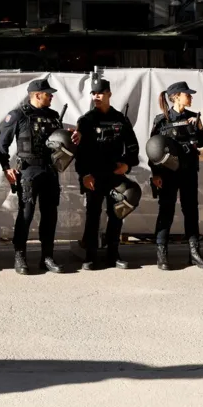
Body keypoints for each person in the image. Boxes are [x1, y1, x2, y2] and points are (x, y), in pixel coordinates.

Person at [0, 78, 76, 275]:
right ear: (36, 95)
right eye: (48, 94)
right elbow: (1, 145)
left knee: (50, 215)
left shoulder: (53, 115)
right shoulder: (18, 115)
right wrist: (6, 168)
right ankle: (20, 256)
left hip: (50, 171)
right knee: (26, 215)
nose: (51, 96)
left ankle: (47, 257)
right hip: (28, 171)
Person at [74, 77, 139, 270]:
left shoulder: (120, 119)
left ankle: (113, 255)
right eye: (93, 93)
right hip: (94, 175)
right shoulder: (86, 121)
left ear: (109, 94)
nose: (96, 97)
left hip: (115, 174)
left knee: (116, 214)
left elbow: (133, 147)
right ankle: (91, 256)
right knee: (93, 215)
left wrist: (127, 165)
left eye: (100, 93)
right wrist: (84, 175)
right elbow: (80, 153)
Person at [149, 81, 203, 270]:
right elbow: (153, 149)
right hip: (167, 174)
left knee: (191, 211)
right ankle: (162, 253)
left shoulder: (193, 116)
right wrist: (155, 173)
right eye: (187, 94)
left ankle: (194, 253)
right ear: (176, 97)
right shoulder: (161, 120)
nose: (190, 97)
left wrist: (197, 127)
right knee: (166, 211)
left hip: (189, 171)